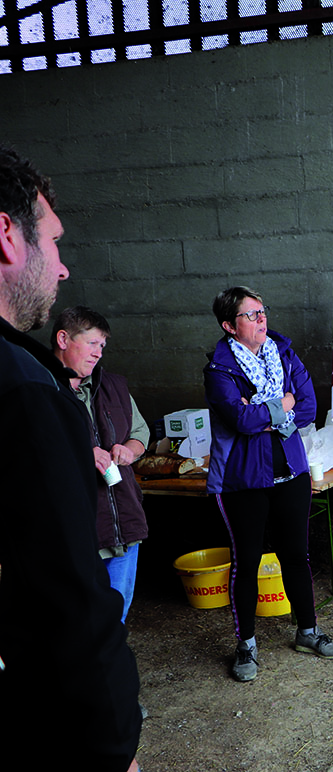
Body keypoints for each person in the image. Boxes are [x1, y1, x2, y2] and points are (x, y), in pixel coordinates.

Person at [0, 147, 142, 770]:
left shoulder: (93, 385)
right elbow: (67, 602)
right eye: (53, 242)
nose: (60, 269)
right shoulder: (26, 390)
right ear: (6, 234)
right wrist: (114, 747)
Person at [205, 286, 333, 682]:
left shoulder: (283, 353)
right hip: (243, 480)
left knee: (296, 555)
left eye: (262, 311)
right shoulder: (219, 370)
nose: (261, 319)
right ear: (229, 326)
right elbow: (241, 421)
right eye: (251, 315)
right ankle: (246, 646)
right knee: (246, 562)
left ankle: (308, 631)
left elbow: (307, 409)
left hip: (291, 473)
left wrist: (268, 410)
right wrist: (280, 404)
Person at [52, 306, 150, 624]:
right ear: (63, 338)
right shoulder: (42, 389)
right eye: (92, 343)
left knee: (115, 616)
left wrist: (130, 450)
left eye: (102, 346)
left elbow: (140, 433)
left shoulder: (114, 386)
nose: (98, 353)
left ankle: (106, 670)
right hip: (76, 529)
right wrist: (82, 453)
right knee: (77, 617)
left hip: (122, 521)